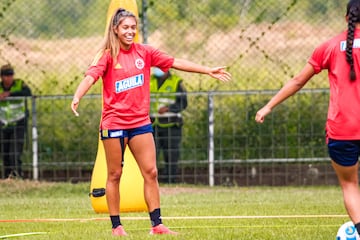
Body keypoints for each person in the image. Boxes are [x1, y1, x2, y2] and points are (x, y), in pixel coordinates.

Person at [71, 8, 231, 237]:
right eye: (125, 27)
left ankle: (157, 225)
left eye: (133, 27)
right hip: (114, 124)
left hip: (140, 123)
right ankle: (117, 226)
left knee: (151, 172)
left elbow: (175, 61)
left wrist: (206, 70)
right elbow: (90, 77)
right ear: (115, 29)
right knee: (115, 174)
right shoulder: (106, 55)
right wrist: (77, 96)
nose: (130, 31)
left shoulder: (144, 53)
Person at [255, 0, 360, 236]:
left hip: (342, 129)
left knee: (350, 184)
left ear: (346, 18)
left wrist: (268, 106)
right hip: (344, 129)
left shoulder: (330, 46)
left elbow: (297, 81)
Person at [150, 68, 187, 184]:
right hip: (153, 123)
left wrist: (169, 109)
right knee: (151, 153)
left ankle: (171, 179)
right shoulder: (149, 80)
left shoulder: (176, 82)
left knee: (171, 154)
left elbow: (183, 103)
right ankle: (152, 180)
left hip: (171, 124)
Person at [0, 64, 31, 178]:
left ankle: (17, 176)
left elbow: (28, 93)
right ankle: (7, 177)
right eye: (6, 75)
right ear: (1, 77)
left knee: (15, 153)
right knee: (5, 153)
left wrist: (10, 95)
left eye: (10, 75)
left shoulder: (19, 84)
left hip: (18, 122)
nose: (9, 78)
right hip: (3, 123)